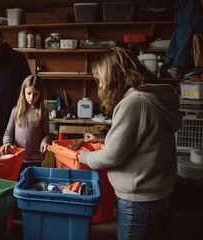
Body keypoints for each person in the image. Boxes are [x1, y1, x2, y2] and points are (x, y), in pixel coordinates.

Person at [78, 47, 182, 240]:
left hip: (138, 200)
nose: (100, 86)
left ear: (113, 77)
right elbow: (142, 140)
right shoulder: (151, 97)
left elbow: (113, 156)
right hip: (156, 192)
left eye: (100, 80)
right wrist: (103, 140)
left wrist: (84, 157)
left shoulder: (134, 103)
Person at [0, 75, 50, 174]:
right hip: (17, 157)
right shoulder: (16, 111)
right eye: (29, 93)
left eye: (35, 94)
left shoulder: (42, 112)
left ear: (40, 94)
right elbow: (8, 132)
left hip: (35, 159)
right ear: (23, 93)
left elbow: (46, 134)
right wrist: (7, 143)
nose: (31, 97)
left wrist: (44, 142)